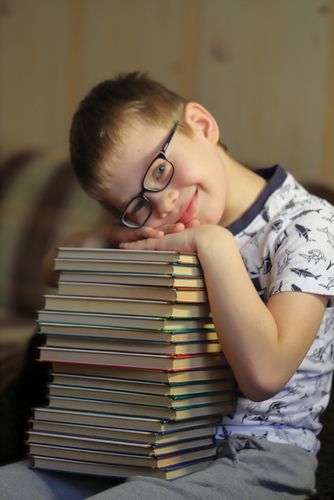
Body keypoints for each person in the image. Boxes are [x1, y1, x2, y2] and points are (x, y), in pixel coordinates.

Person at [1, 72, 333, 499]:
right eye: (137, 205)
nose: (165, 202)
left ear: (203, 125)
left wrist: (214, 246)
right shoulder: (162, 229)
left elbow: (265, 374)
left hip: (253, 459)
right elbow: (54, 267)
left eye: (160, 169)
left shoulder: (308, 225)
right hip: (145, 448)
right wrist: (108, 239)